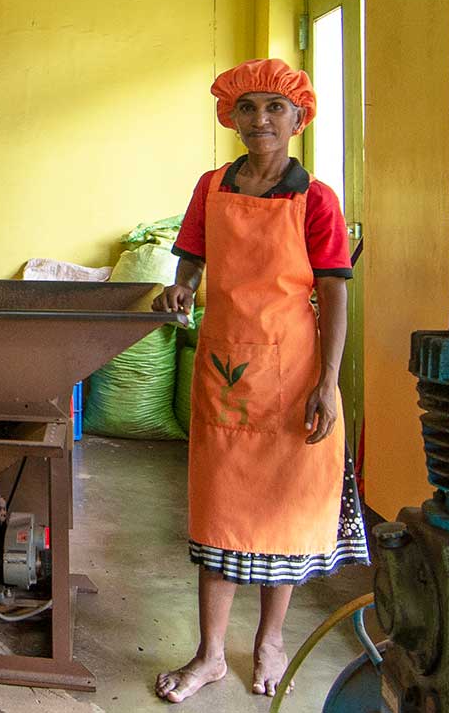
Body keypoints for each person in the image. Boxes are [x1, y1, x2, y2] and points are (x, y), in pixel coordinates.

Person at [150, 58, 368, 702]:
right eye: (247, 107)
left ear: (299, 118)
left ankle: (269, 641)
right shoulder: (212, 185)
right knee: (219, 511)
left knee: (285, 514)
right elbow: (191, 260)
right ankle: (211, 654)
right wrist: (180, 291)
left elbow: (333, 294)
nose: (260, 119)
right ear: (231, 117)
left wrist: (328, 383)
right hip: (225, 369)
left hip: (295, 368)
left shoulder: (316, 198)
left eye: (275, 107)